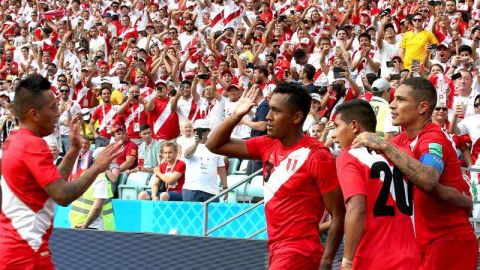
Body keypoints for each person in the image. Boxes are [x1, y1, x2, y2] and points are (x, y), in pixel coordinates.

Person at [205, 82, 345, 269]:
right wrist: (236, 115)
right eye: (269, 109)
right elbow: (213, 145)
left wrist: (327, 261)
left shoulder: (317, 155)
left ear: (297, 117)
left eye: (276, 111)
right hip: (276, 248)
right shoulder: (267, 144)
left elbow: (339, 213)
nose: (268, 117)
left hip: (299, 251)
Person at [352, 77, 478, 270]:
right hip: (419, 243)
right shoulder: (402, 139)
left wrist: (384, 145)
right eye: (393, 99)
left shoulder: (433, 138)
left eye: (401, 100)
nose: (392, 105)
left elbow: (428, 179)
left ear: (422, 107)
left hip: (447, 242)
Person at [0, 74, 120, 269]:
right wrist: (97, 167)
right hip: (26, 253)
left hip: (19, 248)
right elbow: (62, 195)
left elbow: (54, 182)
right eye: (53, 107)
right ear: (34, 114)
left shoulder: (15, 139)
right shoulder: (32, 145)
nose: (58, 113)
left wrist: (73, 150)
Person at [331, 99, 419, 269]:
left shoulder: (349, 156)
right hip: (411, 258)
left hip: (373, 259)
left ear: (355, 126)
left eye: (336, 126)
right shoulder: (403, 153)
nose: (333, 134)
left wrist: (347, 261)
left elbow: (357, 208)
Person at [69, 147, 116, 231]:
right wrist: (85, 225)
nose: (111, 162)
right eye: (109, 158)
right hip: (94, 227)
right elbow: (97, 208)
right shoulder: (101, 179)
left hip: (78, 223)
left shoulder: (84, 174)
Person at [183, 118, 228, 202]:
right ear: (194, 131)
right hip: (191, 188)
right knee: (192, 215)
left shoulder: (216, 145)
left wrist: (225, 187)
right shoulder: (187, 143)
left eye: (203, 130)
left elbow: (221, 168)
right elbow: (187, 154)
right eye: (197, 130)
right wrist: (196, 144)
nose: (200, 132)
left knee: (211, 215)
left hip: (211, 190)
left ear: (208, 131)